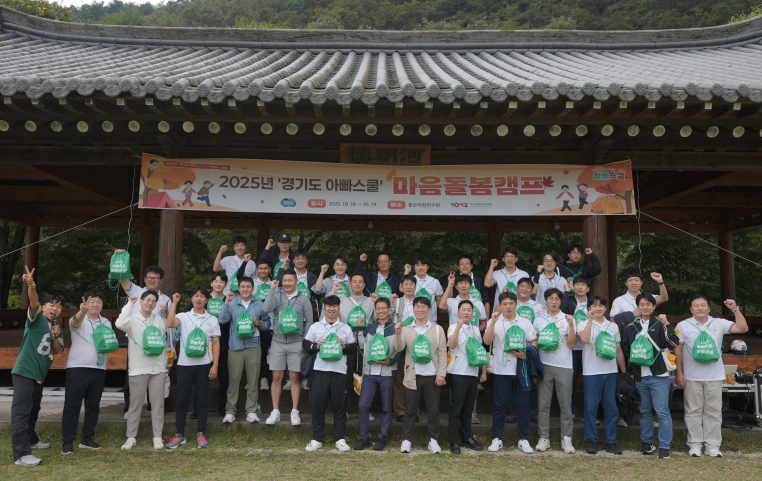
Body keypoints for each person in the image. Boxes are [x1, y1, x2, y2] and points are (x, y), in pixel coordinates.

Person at [675, 295, 748, 458]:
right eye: (696, 306)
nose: (700, 308)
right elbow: (677, 350)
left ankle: (712, 446)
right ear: (691, 309)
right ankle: (695, 445)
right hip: (692, 376)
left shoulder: (719, 323)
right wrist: (679, 372)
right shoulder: (683, 325)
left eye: (703, 305)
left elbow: (742, 328)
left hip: (714, 376)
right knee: (692, 411)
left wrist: (735, 309)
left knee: (713, 412)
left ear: (709, 308)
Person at [11, 267, 64, 467]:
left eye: (59, 306)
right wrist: (31, 284)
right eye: (52, 304)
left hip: (39, 376)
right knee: (22, 412)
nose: (55, 308)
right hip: (24, 372)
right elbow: (33, 301)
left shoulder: (57, 327)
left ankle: (32, 439)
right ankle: (21, 454)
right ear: (44, 307)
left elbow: (57, 351)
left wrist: (55, 336)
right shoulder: (36, 318)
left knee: (33, 410)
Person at [616, 292, 679, 459]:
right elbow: (627, 348)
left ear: (654, 307)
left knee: (662, 411)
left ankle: (665, 446)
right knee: (644, 411)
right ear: (638, 307)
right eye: (642, 304)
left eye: (648, 304)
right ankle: (647, 443)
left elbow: (673, 342)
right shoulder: (631, 326)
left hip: (659, 375)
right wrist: (630, 371)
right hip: (640, 376)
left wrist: (667, 324)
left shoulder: (659, 324)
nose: (645, 307)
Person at [114, 253, 171, 416]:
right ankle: (129, 408)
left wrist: (166, 313)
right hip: (136, 341)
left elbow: (170, 323)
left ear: (161, 280)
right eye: (149, 277)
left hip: (156, 342)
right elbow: (123, 279)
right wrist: (120, 258)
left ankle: (153, 407)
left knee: (156, 374)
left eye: (156, 278)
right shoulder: (137, 291)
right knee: (132, 374)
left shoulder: (166, 299)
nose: (152, 280)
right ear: (145, 279)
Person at [166, 288, 220, 448]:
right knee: (182, 400)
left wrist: (215, 365)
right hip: (185, 365)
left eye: (202, 296)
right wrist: (174, 303)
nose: (199, 299)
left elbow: (216, 342)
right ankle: (179, 434)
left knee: (202, 400)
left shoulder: (212, 319)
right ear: (192, 298)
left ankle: (201, 433)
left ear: (207, 300)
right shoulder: (184, 316)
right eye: (196, 296)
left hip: (204, 365)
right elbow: (170, 323)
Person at [484, 292, 538, 454]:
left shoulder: (525, 322)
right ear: (500, 305)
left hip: (521, 369)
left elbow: (534, 344)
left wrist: (525, 355)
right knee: (500, 405)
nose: (508, 307)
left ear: (516, 304)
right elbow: (486, 341)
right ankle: (497, 438)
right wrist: (493, 322)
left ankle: (524, 439)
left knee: (523, 406)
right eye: (505, 304)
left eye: (511, 303)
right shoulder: (495, 321)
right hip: (502, 370)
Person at [61, 292, 113, 455]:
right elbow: (75, 322)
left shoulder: (106, 322)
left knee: (93, 406)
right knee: (72, 406)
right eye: (92, 302)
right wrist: (82, 311)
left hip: (99, 369)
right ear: (85, 304)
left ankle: (87, 438)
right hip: (78, 369)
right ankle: (67, 442)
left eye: (99, 302)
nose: (96, 304)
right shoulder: (78, 318)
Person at [116, 290, 168, 451]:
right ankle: (131, 437)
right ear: (141, 301)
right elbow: (119, 323)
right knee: (135, 404)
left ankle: (157, 436)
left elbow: (163, 341)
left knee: (158, 405)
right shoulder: (132, 320)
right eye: (147, 300)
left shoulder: (159, 319)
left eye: (153, 301)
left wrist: (164, 364)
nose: (150, 303)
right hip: (138, 368)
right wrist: (129, 304)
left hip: (158, 368)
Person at [303, 295, 356, 452]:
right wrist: (316, 346)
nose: (331, 309)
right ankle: (317, 439)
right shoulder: (316, 326)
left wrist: (344, 346)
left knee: (340, 407)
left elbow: (353, 348)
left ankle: (340, 439)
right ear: (324, 308)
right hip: (320, 372)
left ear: (339, 309)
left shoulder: (346, 328)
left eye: (334, 306)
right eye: (328, 306)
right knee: (318, 406)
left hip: (339, 372)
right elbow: (305, 344)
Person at [394, 297, 447, 454]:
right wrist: (397, 333)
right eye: (417, 306)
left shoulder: (437, 329)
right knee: (409, 411)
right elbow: (399, 348)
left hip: (432, 375)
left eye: (424, 306)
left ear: (429, 309)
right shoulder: (407, 329)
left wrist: (441, 374)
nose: (420, 309)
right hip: (413, 376)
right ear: (413, 309)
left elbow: (443, 352)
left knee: (433, 411)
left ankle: (433, 440)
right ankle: (406, 440)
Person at [262, 269, 314, 425]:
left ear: (296, 281)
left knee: (295, 378)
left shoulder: (303, 299)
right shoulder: (277, 296)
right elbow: (266, 308)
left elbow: (309, 321)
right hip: (277, 342)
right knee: (276, 378)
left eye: (290, 280)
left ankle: (295, 411)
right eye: (284, 280)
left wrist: (304, 341)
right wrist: (272, 289)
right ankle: (275, 411)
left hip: (296, 343)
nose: (287, 283)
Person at [577, 296, 626, 455]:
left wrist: (623, 370)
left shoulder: (613, 326)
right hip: (591, 372)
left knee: (611, 408)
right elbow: (584, 339)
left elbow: (618, 350)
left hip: (610, 372)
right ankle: (591, 440)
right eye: (594, 305)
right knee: (590, 407)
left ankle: (611, 441)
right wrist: (590, 320)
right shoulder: (583, 323)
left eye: (600, 306)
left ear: (605, 308)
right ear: (589, 309)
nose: (597, 308)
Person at [218, 276, 269, 424]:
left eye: (248, 286)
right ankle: (230, 411)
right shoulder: (233, 303)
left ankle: (251, 411)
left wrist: (259, 323)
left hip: (254, 346)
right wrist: (226, 303)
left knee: (253, 380)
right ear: (239, 289)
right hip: (235, 347)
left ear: (253, 288)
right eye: (242, 287)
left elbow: (267, 324)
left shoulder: (260, 304)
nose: (245, 289)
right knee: (233, 380)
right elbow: (222, 320)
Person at [354, 297, 402, 451]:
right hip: (369, 373)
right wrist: (359, 329)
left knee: (387, 407)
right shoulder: (370, 327)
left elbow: (400, 348)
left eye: (384, 308)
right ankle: (364, 438)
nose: (381, 311)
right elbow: (361, 345)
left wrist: (391, 361)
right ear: (375, 311)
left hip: (387, 373)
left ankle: (382, 438)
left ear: (389, 310)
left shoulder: (395, 327)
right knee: (363, 405)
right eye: (378, 308)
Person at [534, 289, 576, 454]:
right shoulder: (539, 320)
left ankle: (567, 439)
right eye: (551, 298)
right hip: (544, 364)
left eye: (557, 299)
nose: (554, 301)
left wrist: (571, 325)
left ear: (561, 301)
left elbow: (572, 344)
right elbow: (535, 344)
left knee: (565, 404)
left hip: (564, 365)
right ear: (545, 300)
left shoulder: (567, 319)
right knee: (543, 404)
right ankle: (543, 438)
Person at [447, 300, 487, 454]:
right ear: (458, 312)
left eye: (469, 310)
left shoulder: (476, 329)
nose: (466, 312)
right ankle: (453, 440)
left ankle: (466, 438)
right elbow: (452, 345)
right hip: (458, 372)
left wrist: (483, 371)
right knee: (456, 409)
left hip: (472, 374)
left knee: (468, 409)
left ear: (473, 313)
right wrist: (458, 327)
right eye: (463, 310)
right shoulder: (452, 327)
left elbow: (480, 351)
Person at [339, 274, 376, 417]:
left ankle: (366, 410)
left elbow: (376, 319)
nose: (357, 284)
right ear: (350, 284)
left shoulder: (370, 301)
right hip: (347, 344)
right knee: (346, 377)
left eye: (360, 282)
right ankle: (346, 410)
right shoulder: (342, 301)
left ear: (364, 285)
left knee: (365, 378)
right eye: (354, 282)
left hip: (364, 344)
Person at [560, 275, 591, 421]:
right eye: (577, 284)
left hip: (590, 348)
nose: (579, 287)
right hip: (573, 348)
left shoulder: (593, 303)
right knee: (571, 381)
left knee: (589, 381)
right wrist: (566, 293)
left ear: (588, 288)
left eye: (583, 284)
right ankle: (571, 411)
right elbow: (561, 310)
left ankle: (589, 413)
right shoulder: (570, 300)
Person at [391, 274, 418, 421]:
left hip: (417, 343)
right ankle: (400, 411)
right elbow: (387, 319)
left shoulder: (421, 302)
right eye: (405, 284)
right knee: (400, 378)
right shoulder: (396, 302)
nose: (408, 286)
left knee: (414, 377)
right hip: (399, 341)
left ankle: (413, 410)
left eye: (411, 284)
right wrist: (390, 303)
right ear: (401, 287)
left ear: (415, 286)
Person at [208, 271, 229, 416]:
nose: (218, 284)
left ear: (226, 285)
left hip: (223, 342)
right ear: (211, 284)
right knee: (202, 376)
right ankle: (198, 408)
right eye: (216, 281)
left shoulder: (229, 300)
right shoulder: (203, 298)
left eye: (221, 282)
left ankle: (223, 407)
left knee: (224, 376)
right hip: (204, 343)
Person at [402, 255, 444, 322]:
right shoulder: (411, 281)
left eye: (423, 265)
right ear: (414, 267)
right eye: (418, 265)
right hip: (412, 320)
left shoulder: (435, 282)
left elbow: (439, 300)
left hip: (431, 320)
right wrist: (406, 272)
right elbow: (401, 289)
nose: (420, 268)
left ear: (427, 267)